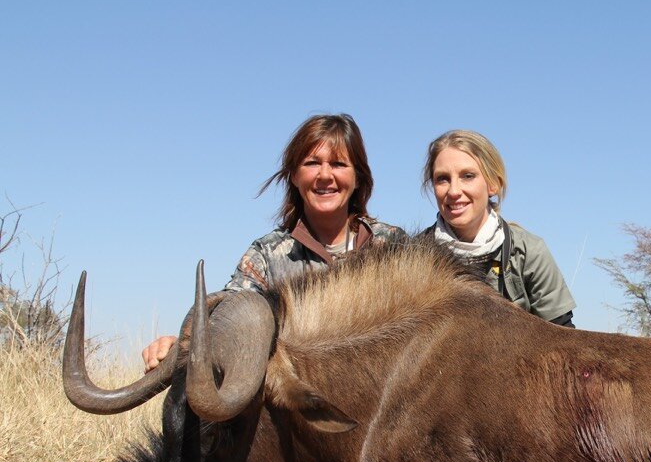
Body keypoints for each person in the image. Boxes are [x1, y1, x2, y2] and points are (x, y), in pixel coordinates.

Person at [142, 114, 406, 370]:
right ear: (294, 175)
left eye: (338, 164)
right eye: (312, 163)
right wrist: (182, 346)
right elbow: (229, 319)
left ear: (358, 177)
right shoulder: (267, 255)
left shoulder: (394, 247)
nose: (325, 175)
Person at [422, 130, 576, 327]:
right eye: (442, 178)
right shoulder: (415, 256)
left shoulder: (529, 251)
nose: (453, 191)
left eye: (467, 176)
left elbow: (562, 335)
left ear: (494, 184)